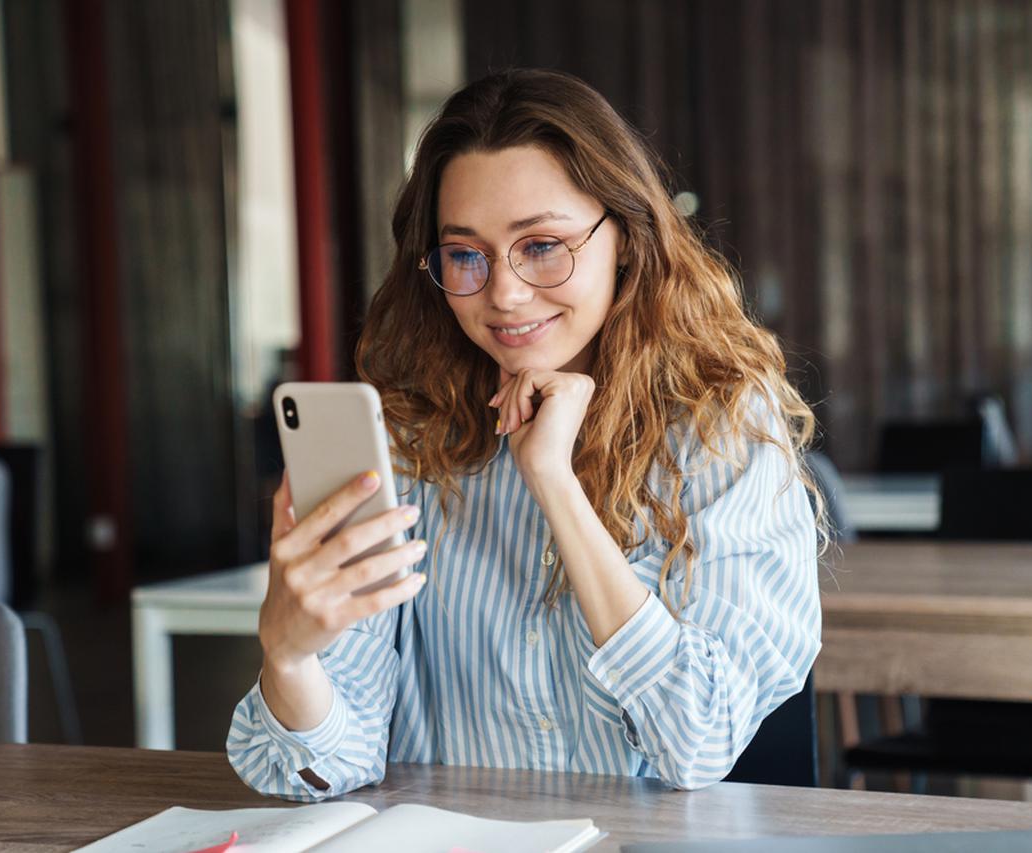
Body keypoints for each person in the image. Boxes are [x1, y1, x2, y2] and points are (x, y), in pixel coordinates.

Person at [227, 68, 823, 801]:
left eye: (542, 245)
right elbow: (325, 766)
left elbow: (697, 740)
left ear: (628, 239)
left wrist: (555, 483)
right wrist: (289, 659)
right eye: (465, 255)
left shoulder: (720, 428)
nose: (503, 292)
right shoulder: (405, 442)